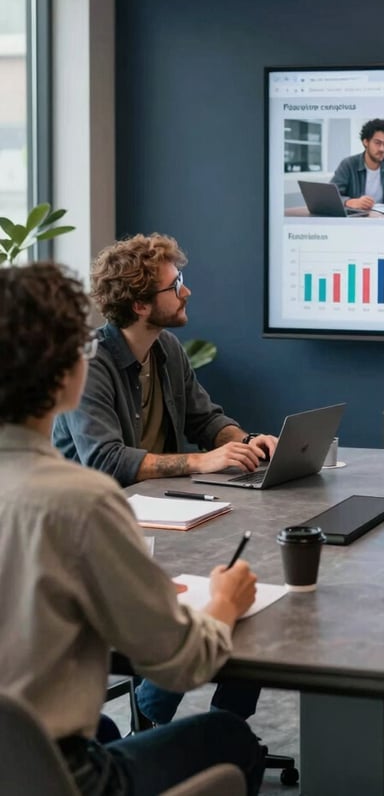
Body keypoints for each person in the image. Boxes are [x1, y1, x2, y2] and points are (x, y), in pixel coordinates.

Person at [0, 262, 266, 795]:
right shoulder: (81, 503)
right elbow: (181, 664)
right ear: (66, 375)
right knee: (230, 738)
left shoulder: (166, 353)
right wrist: (225, 602)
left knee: (100, 728)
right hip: (65, 780)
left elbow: (204, 416)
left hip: (17, 757)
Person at [53, 233, 273, 727]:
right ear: (139, 304)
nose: (187, 292)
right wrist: (202, 463)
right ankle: (154, 724)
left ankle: (227, 725)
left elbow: (207, 419)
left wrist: (246, 440)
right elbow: (106, 459)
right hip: (106, 527)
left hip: (165, 514)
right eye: (177, 285)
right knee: (218, 597)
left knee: (250, 586)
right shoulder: (92, 363)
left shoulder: (166, 348)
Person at [329, 118, 384, 210]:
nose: (382, 149)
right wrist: (350, 202)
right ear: (366, 142)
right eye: (377, 143)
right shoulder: (348, 164)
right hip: (357, 220)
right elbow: (330, 196)